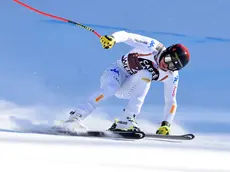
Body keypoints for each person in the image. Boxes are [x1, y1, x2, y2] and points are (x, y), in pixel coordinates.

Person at [61, 30, 190, 135]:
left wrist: (166, 124)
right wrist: (113, 39)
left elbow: (171, 101)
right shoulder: (152, 46)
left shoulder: (171, 75)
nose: (166, 65)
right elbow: (127, 36)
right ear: (166, 51)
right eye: (168, 59)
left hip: (129, 87)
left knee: (146, 74)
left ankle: (127, 119)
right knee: (110, 88)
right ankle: (76, 116)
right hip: (116, 72)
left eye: (173, 66)